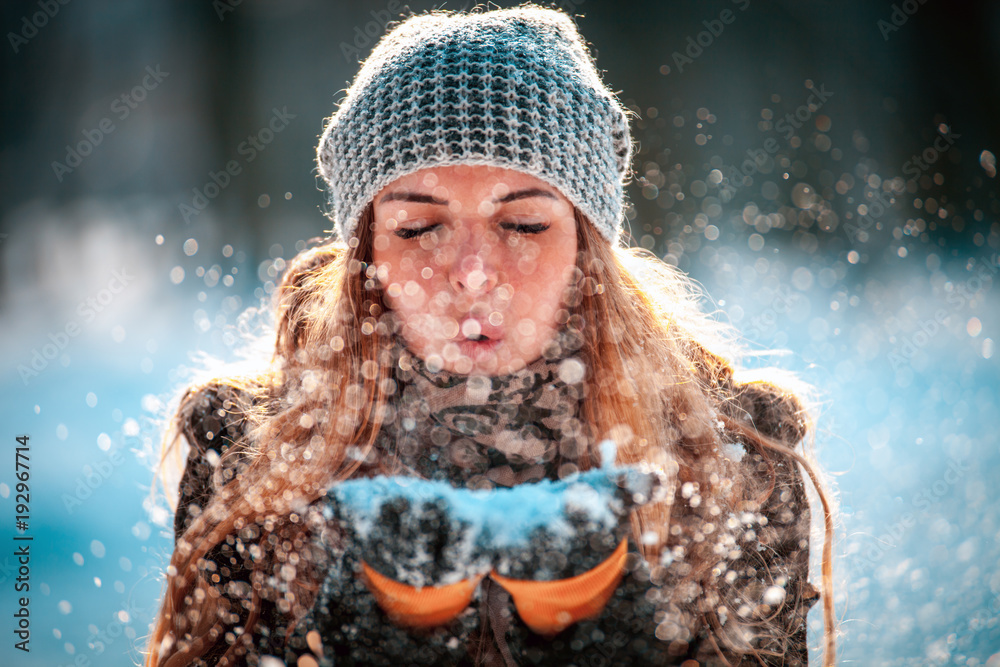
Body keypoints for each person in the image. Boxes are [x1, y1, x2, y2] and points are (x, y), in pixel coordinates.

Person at [145, 5, 836, 666]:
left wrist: (596, 628)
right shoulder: (252, 454)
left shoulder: (730, 452)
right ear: (367, 259)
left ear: (586, 249)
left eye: (524, 224)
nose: (473, 274)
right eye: (418, 228)